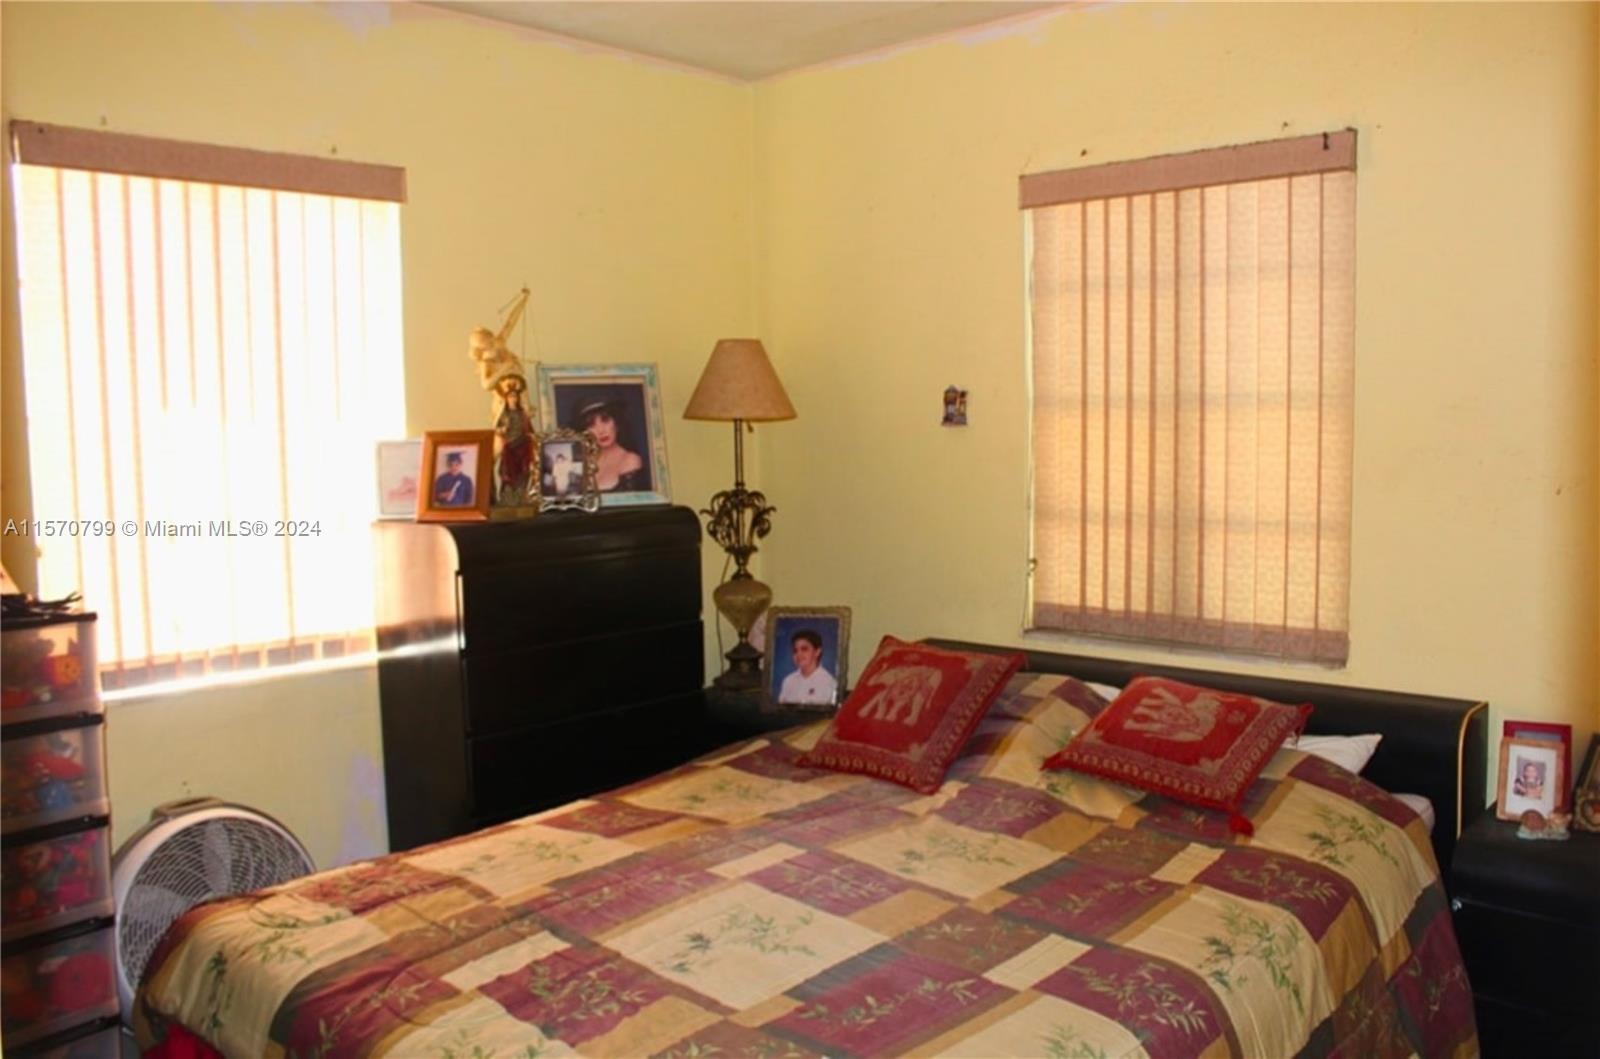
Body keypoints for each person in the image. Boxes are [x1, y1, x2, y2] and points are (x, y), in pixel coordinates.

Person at [576, 400, 646, 492]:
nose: (601, 430)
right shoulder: (587, 462)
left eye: (605, 420)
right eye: (592, 425)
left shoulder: (630, 460)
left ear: (616, 424)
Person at [778, 628, 838, 706]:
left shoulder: (829, 683)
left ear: (817, 652)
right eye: (795, 651)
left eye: (804, 649)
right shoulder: (788, 681)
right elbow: (780, 709)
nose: (799, 654)